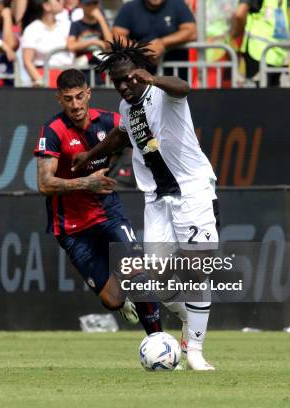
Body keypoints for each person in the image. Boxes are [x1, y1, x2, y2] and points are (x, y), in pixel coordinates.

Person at [72, 40, 219, 370]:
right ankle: (188, 320)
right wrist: (90, 156)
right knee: (157, 281)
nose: (123, 86)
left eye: (128, 78)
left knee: (197, 270)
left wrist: (152, 79)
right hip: (158, 199)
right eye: (117, 81)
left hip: (192, 191)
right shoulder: (126, 109)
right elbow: (121, 136)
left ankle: (193, 350)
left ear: (141, 73)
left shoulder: (163, 92)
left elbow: (185, 86)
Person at [34, 68, 163, 337]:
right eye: (68, 99)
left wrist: (122, 166)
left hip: (108, 213)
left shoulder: (109, 120)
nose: (76, 105)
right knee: (112, 300)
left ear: (88, 93)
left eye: (80, 96)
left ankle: (158, 341)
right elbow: (44, 184)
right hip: (71, 227)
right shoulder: (53, 130)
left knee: (136, 273)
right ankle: (123, 303)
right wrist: (85, 183)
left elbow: (136, 136)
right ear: (59, 99)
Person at [112, 0, 196, 80]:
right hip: (139, 76)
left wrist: (162, 43)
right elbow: (117, 35)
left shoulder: (178, 4)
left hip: (175, 75)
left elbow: (192, 32)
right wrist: (140, 50)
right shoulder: (129, 7)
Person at [233, 0, 288, 86]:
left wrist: (235, 34)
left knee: (257, 97)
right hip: (276, 52)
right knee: (273, 96)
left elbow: (240, 14)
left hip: (258, 51)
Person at [21, 0, 73, 87]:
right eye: (57, 0)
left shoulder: (68, 25)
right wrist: (42, 82)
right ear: (46, 6)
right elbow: (27, 61)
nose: (62, 1)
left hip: (71, 78)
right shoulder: (32, 29)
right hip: (44, 78)